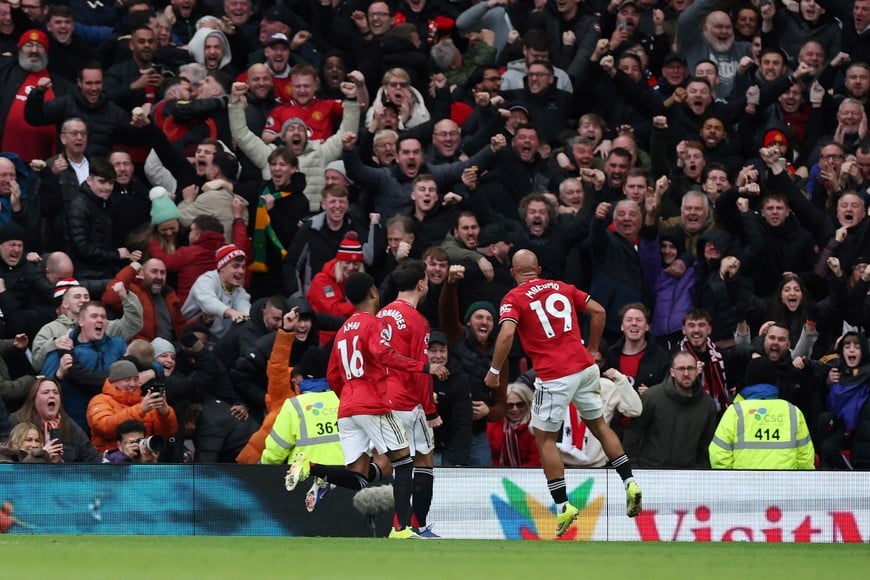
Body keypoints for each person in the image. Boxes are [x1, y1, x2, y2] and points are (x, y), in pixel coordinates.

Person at [484, 249, 641, 538]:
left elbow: (506, 334)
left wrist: (494, 371)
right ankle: (629, 480)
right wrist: (593, 348)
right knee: (600, 425)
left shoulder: (513, 298)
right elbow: (600, 311)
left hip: (554, 376)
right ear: (539, 269)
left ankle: (563, 505)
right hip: (584, 367)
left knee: (544, 438)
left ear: (513, 273)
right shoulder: (562, 287)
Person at [286, 272, 448, 539]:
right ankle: (402, 529)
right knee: (405, 460)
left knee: (360, 475)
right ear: (374, 292)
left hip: (348, 409)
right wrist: (425, 367)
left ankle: (311, 468)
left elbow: (334, 375)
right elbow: (384, 354)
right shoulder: (373, 324)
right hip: (372, 405)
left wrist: (349, 398)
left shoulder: (342, 330)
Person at [377, 259, 441, 537]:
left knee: (387, 462)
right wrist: (430, 410)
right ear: (421, 284)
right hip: (406, 400)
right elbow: (421, 370)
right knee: (423, 460)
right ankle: (416, 524)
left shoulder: (380, 315)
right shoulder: (417, 321)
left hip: (380, 398)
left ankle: (335, 477)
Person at [709, 356, 814, 469]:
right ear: (775, 380)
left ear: (748, 380)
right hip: (784, 485)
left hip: (743, 484)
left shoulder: (735, 411)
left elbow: (718, 455)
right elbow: (805, 459)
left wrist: (733, 483)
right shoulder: (793, 412)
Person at [623, 351, 718, 468]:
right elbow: (632, 436)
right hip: (650, 471)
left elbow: (706, 446)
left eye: (691, 368)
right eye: (681, 369)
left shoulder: (707, 404)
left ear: (697, 371)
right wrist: (634, 468)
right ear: (672, 372)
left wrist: (702, 472)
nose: (686, 373)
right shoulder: (652, 397)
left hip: (689, 474)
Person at [85, 359, 178, 453]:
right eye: (127, 380)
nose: (133, 384)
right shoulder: (99, 400)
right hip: (111, 460)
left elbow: (165, 434)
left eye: (135, 379)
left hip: (143, 459)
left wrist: (165, 414)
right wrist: (140, 409)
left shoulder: (145, 402)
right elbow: (105, 428)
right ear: (113, 382)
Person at [11, 376, 100, 462]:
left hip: (62, 476)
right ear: (34, 398)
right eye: (46, 392)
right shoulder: (17, 421)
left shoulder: (69, 425)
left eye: (55, 392)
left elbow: (92, 458)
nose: (52, 396)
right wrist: (43, 456)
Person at [181, 244, 251, 340]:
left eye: (243, 267)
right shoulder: (206, 280)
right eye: (236, 266)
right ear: (222, 267)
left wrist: (246, 316)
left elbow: (244, 308)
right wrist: (230, 312)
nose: (241, 271)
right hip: (189, 335)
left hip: (219, 342)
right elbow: (208, 302)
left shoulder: (239, 290)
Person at [486, 382, 540, 467]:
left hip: (528, 476)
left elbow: (536, 461)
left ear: (528, 404)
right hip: (497, 475)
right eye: (510, 405)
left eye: (520, 404)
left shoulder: (535, 427)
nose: (515, 409)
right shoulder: (493, 425)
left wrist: (515, 477)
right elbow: (489, 458)